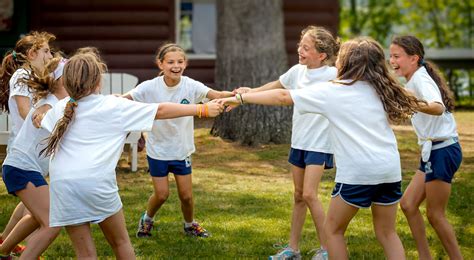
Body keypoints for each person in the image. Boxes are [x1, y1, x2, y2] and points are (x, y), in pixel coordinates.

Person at [217, 37, 425, 259]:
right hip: (389, 171)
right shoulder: (384, 89)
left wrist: (240, 98)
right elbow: (433, 107)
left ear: (344, 62)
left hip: (358, 173)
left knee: (332, 231)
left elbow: (282, 96)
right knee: (387, 232)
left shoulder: (333, 91)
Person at [39, 53, 223, 259]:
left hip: (62, 184)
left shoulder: (61, 108)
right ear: (99, 80)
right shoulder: (112, 106)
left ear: (66, 82)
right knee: (120, 243)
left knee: (85, 254)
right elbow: (160, 110)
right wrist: (203, 109)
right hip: (95, 183)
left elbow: (40, 120)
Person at [234, 26, 339, 260]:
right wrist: (252, 91)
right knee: (299, 195)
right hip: (299, 141)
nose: (299, 50)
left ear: (321, 55)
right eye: (300, 45)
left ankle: (327, 249)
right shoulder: (297, 71)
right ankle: (293, 249)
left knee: (311, 194)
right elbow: (277, 85)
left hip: (320, 143)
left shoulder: (333, 76)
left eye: (306, 47)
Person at [122, 43, 233, 238]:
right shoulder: (149, 87)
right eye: (171, 62)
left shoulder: (191, 85)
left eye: (180, 61)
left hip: (181, 150)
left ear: (185, 63)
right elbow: (126, 98)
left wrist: (237, 96)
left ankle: (190, 225)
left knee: (187, 196)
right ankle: (147, 220)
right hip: (158, 151)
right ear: (160, 64)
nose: (176, 66)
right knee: (162, 194)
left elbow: (216, 96)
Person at [390, 35, 463, 260]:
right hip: (433, 151)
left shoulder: (421, 80)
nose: (392, 60)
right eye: (390, 56)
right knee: (409, 204)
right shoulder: (412, 81)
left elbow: (437, 108)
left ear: (414, 58)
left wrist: (410, 102)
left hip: (443, 150)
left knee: (435, 214)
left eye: (396, 56)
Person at [0, 56, 68, 259]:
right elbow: (40, 118)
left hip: (25, 168)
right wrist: (40, 119)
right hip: (22, 168)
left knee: (37, 216)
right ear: (60, 80)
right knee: (52, 222)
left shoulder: (60, 103)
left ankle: (3, 251)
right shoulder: (49, 105)